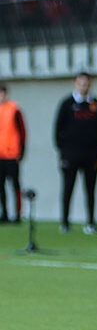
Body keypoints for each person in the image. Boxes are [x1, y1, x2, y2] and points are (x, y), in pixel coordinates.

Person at [54, 72, 97, 235]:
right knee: (68, 188)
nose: (83, 86)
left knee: (90, 190)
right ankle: (65, 222)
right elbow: (58, 130)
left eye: (86, 83)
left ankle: (90, 222)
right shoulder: (67, 104)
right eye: (80, 83)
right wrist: (63, 152)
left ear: (90, 85)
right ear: (76, 84)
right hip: (71, 155)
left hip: (90, 156)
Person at [0, 82, 26, 224]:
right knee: (1, 186)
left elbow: (22, 131)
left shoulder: (14, 109)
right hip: (0, 154)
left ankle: (17, 214)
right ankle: (3, 213)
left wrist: (21, 151)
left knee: (14, 185)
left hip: (12, 154)